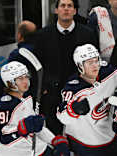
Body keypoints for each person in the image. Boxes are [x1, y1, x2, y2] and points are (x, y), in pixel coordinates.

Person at [57, 44, 117, 156]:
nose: (95, 65)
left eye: (96, 60)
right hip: (85, 144)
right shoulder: (73, 88)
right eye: (89, 62)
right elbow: (62, 116)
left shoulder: (107, 72)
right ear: (80, 66)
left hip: (110, 139)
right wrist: (74, 109)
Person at [0, 62, 70, 156]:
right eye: (20, 79)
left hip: (24, 151)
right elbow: (4, 137)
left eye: (26, 77)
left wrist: (54, 140)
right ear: (10, 83)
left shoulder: (25, 99)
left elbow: (35, 127)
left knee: (62, 149)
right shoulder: (5, 105)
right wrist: (22, 128)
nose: (25, 81)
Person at [33, 0, 98, 135]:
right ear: (56, 10)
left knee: (80, 135)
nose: (66, 9)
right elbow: (37, 65)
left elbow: (95, 63)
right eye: (62, 6)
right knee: (54, 136)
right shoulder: (42, 35)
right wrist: (43, 89)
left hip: (80, 93)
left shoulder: (88, 34)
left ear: (75, 11)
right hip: (52, 95)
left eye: (70, 6)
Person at [0, 20, 37, 99]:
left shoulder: (18, 54)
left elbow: (5, 77)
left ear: (19, 35)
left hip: (23, 98)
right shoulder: (41, 50)